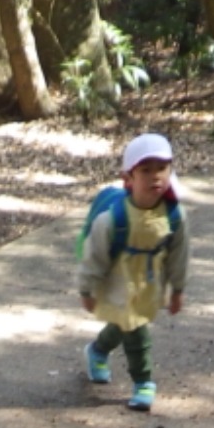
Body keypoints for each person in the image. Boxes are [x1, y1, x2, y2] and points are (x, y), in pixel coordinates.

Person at [79, 133, 190, 413]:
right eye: (146, 170)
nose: (155, 176)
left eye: (162, 168)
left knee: (124, 322)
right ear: (128, 178)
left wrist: (177, 288)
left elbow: (178, 254)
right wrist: (87, 288)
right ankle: (143, 381)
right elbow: (94, 255)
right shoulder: (112, 219)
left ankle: (98, 350)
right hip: (118, 278)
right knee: (135, 328)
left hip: (148, 281)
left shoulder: (174, 216)